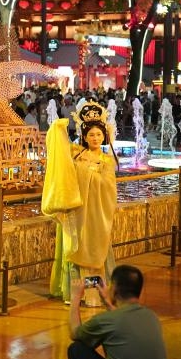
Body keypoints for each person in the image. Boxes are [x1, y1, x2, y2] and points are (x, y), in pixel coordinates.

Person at [67, 265, 169, 359]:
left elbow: (75, 333)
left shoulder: (107, 321)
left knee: (76, 350)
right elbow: (122, 322)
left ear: (114, 288)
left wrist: (75, 297)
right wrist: (108, 302)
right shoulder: (151, 317)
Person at [49, 102, 118, 306]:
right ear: (84, 137)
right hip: (77, 212)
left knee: (96, 250)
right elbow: (59, 156)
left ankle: (94, 294)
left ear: (104, 135)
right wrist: (58, 130)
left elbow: (108, 187)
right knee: (74, 250)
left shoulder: (106, 161)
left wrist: (86, 174)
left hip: (96, 214)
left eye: (98, 134)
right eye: (91, 135)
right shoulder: (76, 154)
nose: (95, 138)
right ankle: (74, 293)